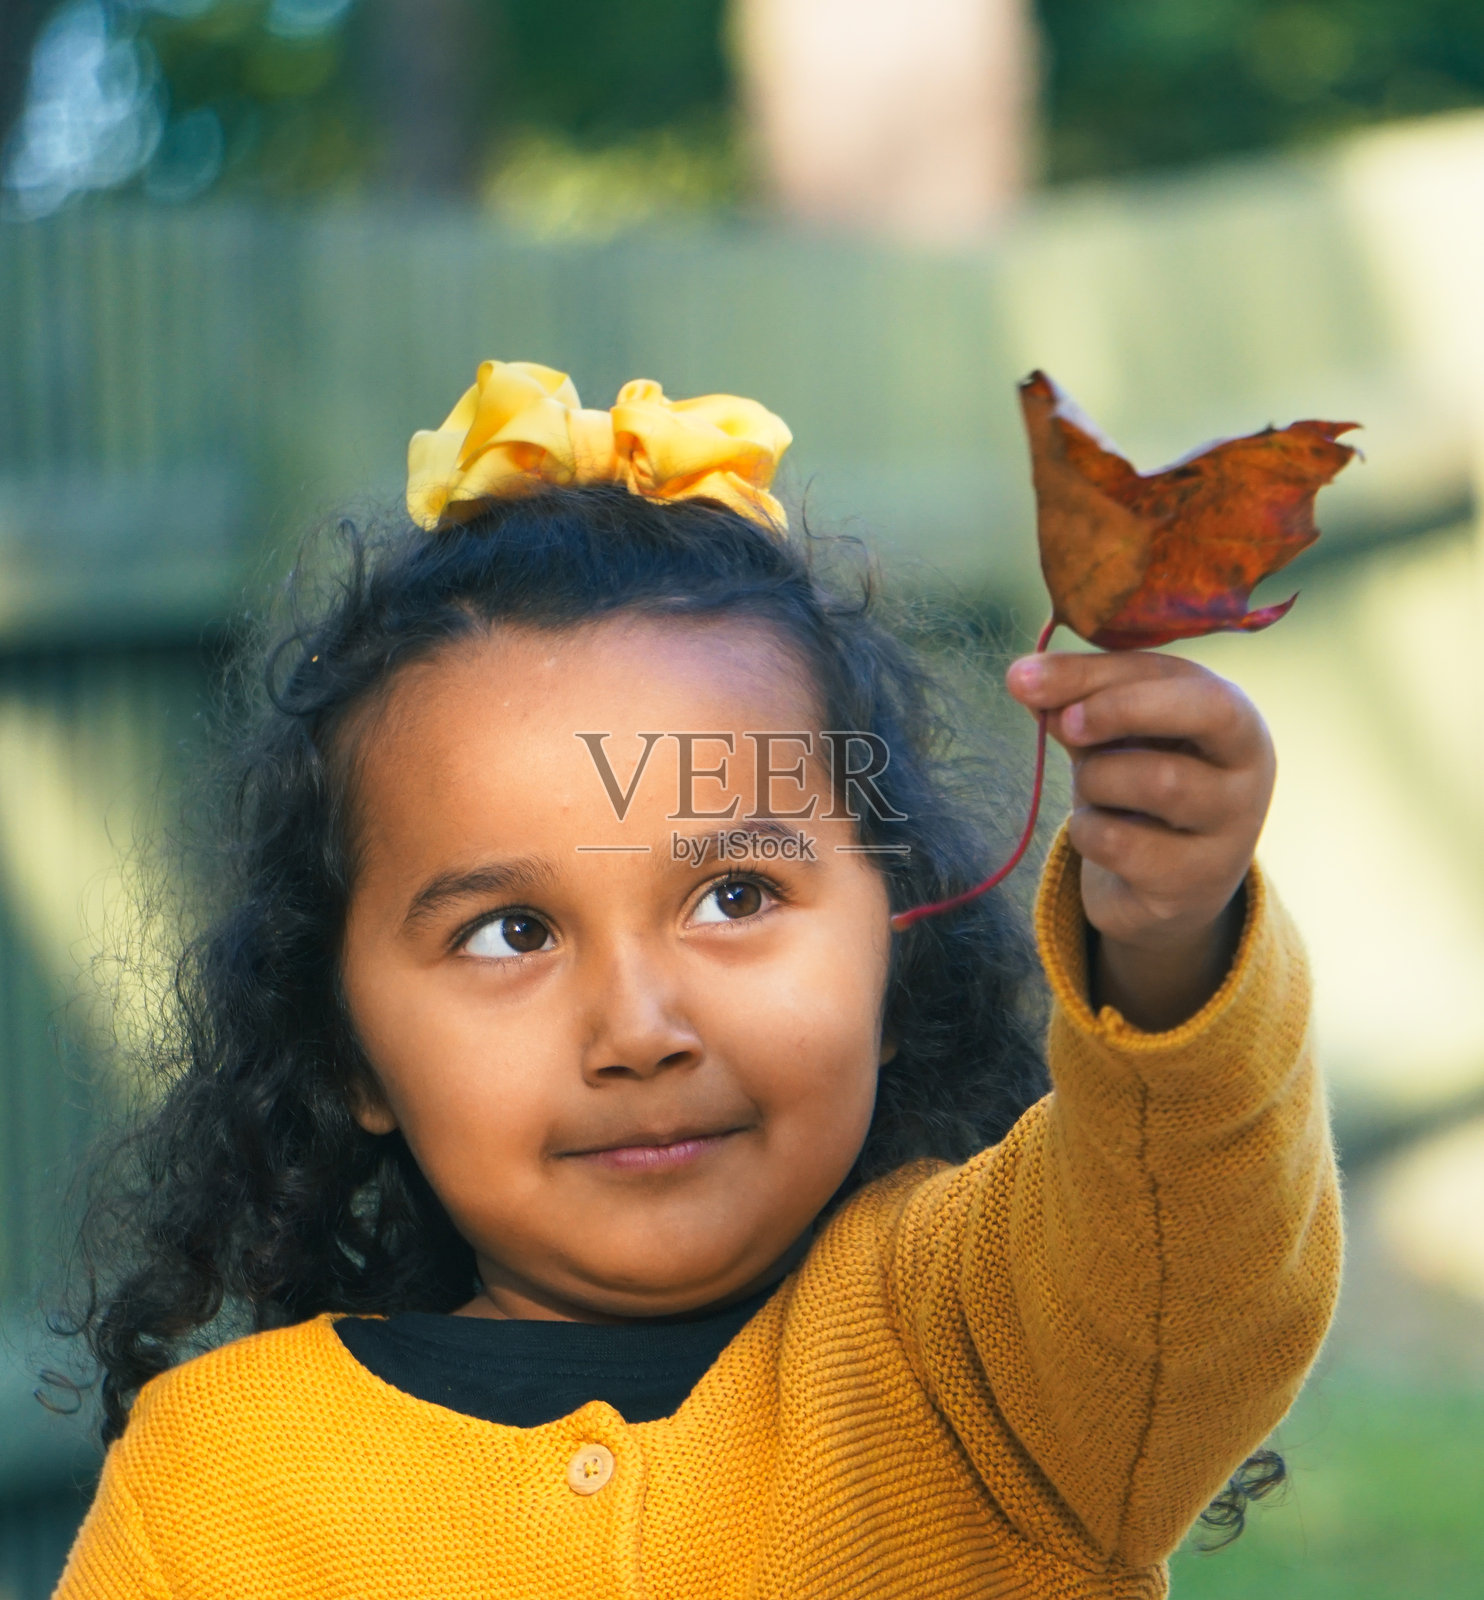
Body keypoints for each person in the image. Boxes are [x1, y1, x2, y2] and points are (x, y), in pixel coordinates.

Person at [53, 361, 1340, 1598]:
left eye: (733, 897)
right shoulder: (216, 1483)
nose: (638, 1027)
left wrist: (1171, 946)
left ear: (896, 949)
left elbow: (1190, 1255)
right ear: (346, 1047)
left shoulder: (993, 1351)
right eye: (509, 932)